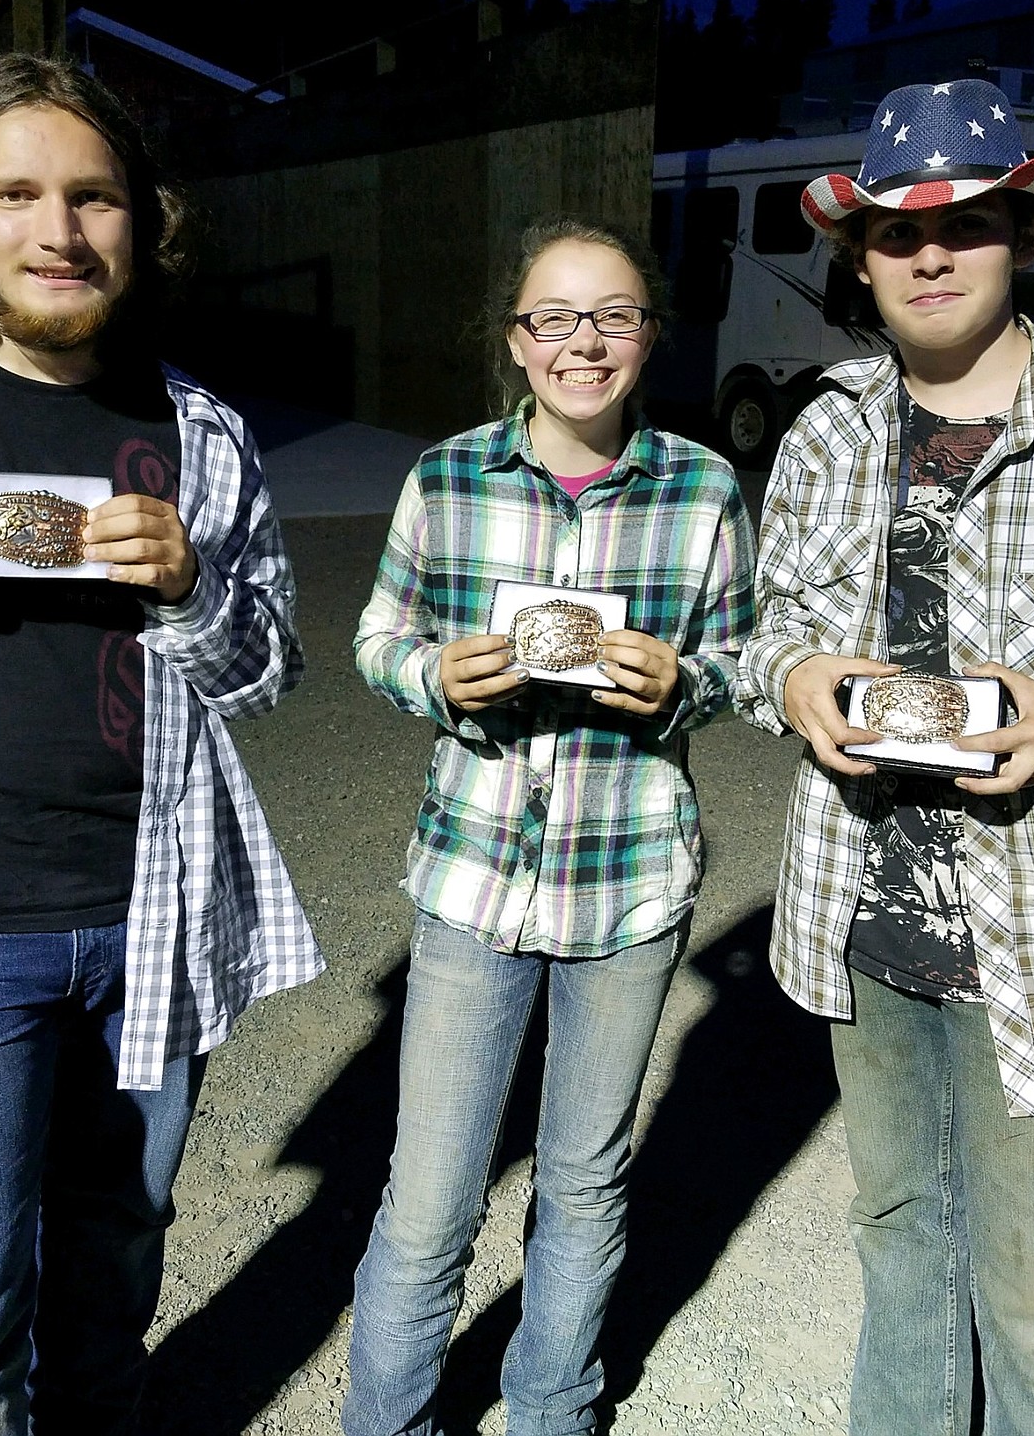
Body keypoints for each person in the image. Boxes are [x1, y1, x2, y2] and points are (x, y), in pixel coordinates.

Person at [737, 76, 1034, 1435]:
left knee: (1033, 1296)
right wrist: (789, 676)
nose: (929, 254)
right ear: (856, 256)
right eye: (897, 232)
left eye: (965, 221)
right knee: (900, 1245)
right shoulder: (826, 430)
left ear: (1023, 230)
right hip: (865, 935)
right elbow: (762, 629)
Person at [344, 217, 754, 1436]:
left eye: (616, 315)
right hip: (474, 882)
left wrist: (688, 683)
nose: (587, 342)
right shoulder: (448, 478)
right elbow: (378, 635)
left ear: (647, 336)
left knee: (584, 1182)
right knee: (429, 1198)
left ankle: (553, 1412)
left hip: (625, 886)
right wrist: (435, 679)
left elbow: (743, 651)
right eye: (557, 319)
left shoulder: (703, 486)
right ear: (517, 343)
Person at [0, 52, 323, 1433]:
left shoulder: (202, 432)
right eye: (14, 193)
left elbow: (268, 672)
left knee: (114, 1274)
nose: (58, 231)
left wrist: (188, 589)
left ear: (138, 219)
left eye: (93, 196)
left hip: (151, 921)